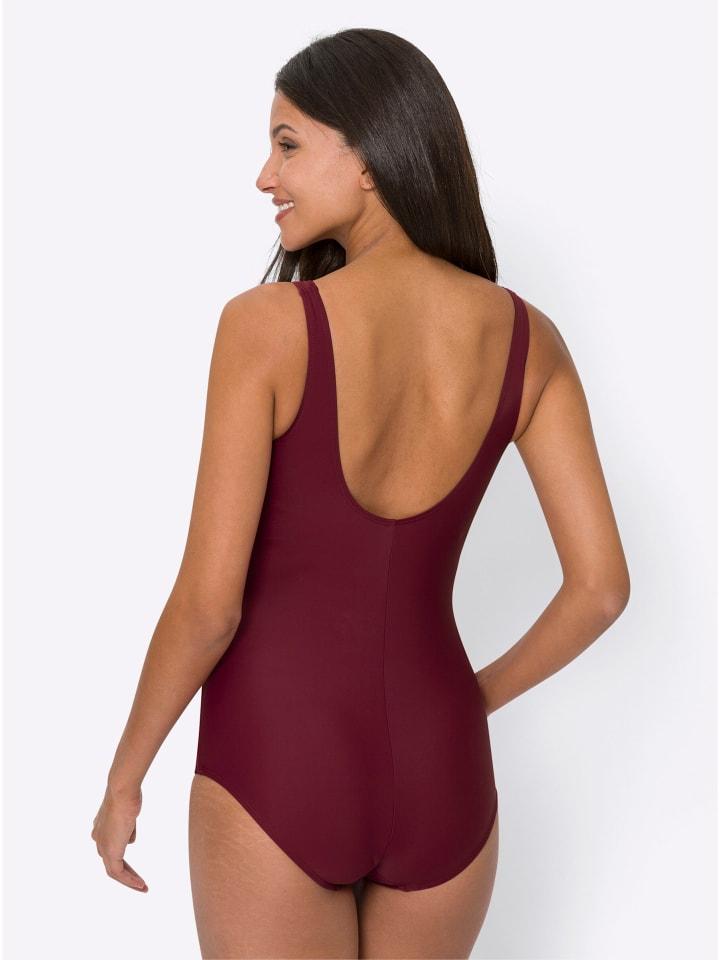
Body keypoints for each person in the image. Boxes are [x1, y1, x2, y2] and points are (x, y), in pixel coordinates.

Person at [91, 27, 630, 960]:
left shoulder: (267, 328)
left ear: (371, 157)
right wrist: (467, 702)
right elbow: (602, 588)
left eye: (288, 144)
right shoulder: (528, 341)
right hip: (444, 772)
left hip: (278, 759)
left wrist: (125, 774)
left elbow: (210, 606)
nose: (265, 176)